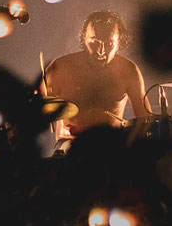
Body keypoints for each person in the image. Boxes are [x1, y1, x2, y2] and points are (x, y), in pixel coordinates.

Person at [41, 11, 153, 153]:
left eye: (109, 44)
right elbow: (36, 111)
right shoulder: (61, 67)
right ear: (83, 39)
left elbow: (146, 120)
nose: (101, 51)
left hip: (113, 145)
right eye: (94, 42)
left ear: (119, 43)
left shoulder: (129, 71)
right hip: (71, 144)